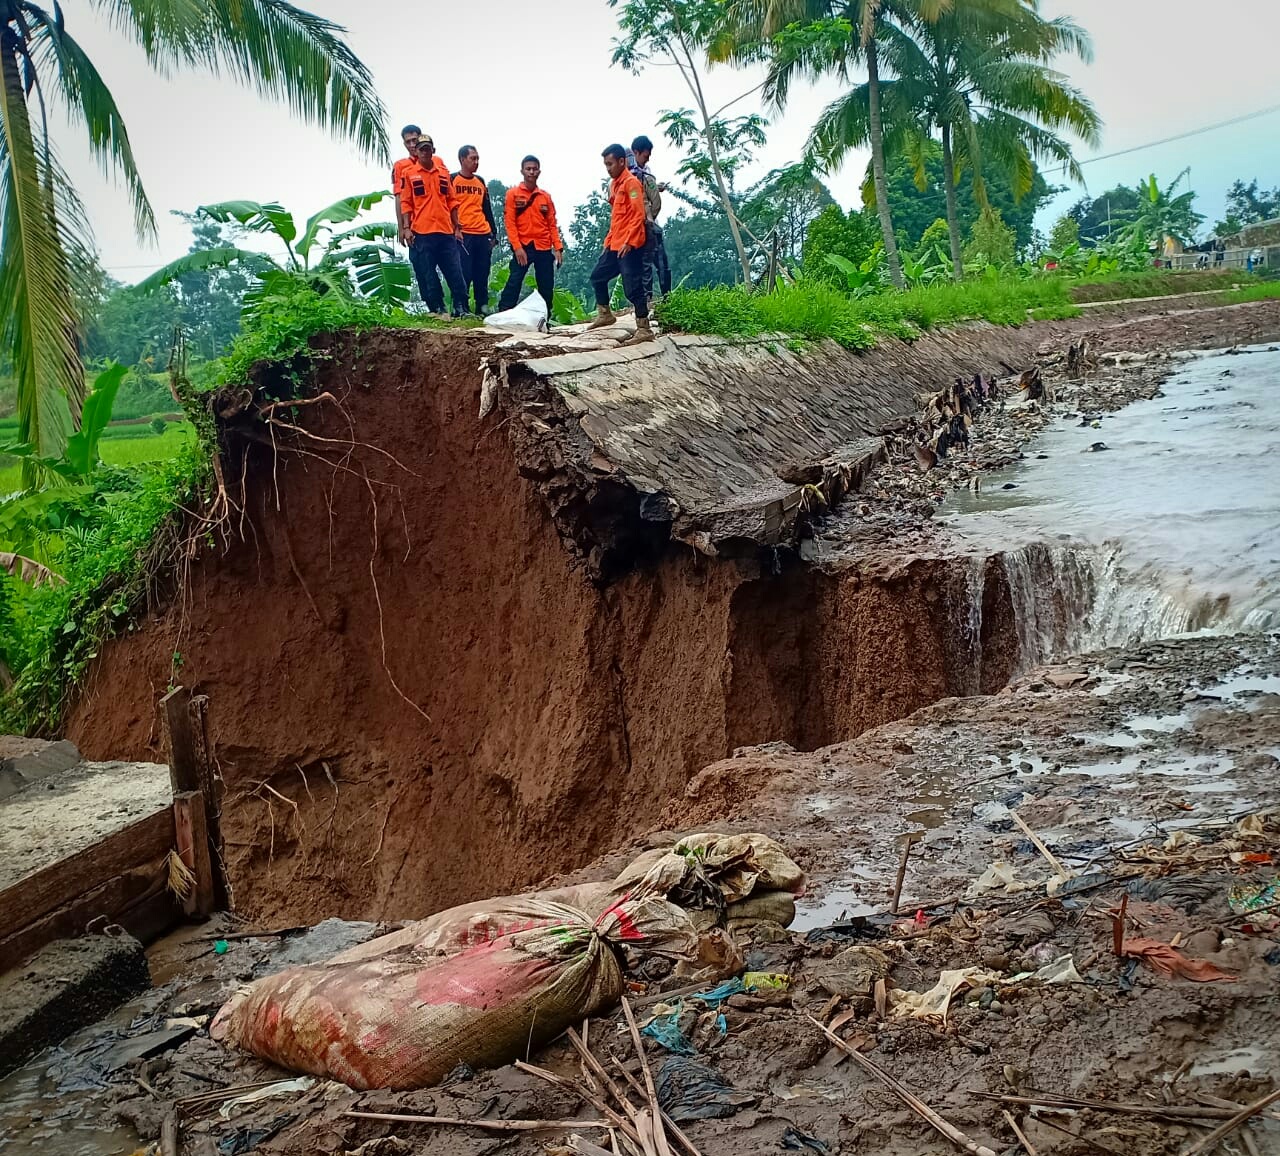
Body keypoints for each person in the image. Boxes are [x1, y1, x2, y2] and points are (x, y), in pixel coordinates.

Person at [399, 135, 469, 318]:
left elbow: (452, 201)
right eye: (421, 149)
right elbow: (406, 203)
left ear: (433, 151)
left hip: (445, 230)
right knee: (428, 273)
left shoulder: (443, 173)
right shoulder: (409, 174)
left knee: (454, 270)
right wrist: (406, 228)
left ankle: (460, 306)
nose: (424, 152)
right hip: (422, 231)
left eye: (427, 148)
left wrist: (457, 227)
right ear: (416, 152)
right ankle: (437, 307)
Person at [589, 143, 652, 342]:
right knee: (597, 277)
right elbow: (616, 218)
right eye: (605, 165)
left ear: (622, 162)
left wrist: (629, 241)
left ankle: (644, 328)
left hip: (629, 245)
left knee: (632, 288)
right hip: (614, 243)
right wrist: (608, 241)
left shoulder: (631, 184)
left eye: (610, 164)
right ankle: (605, 314)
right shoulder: (615, 185)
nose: (608, 168)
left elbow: (638, 214)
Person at [497, 155, 563, 316]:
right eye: (528, 169)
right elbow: (510, 223)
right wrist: (517, 247)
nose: (531, 172)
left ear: (539, 171)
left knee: (546, 284)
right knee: (514, 280)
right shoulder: (513, 194)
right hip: (524, 246)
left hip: (543, 245)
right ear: (522, 171)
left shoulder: (545, 197)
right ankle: (504, 312)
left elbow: (552, 224)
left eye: (534, 169)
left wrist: (558, 248)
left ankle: (544, 317)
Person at [452, 145, 497, 314]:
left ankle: (482, 305)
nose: (476, 162)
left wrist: (493, 233)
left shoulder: (480, 181)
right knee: (463, 271)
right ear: (462, 159)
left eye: (477, 158)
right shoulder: (452, 180)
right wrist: (453, 229)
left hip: (482, 232)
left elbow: (487, 208)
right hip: (463, 233)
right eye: (473, 158)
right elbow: (447, 207)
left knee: (482, 270)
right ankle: (460, 305)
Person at [629, 134, 671, 300]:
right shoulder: (632, 177)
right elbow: (649, 202)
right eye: (645, 156)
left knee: (659, 264)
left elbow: (651, 194)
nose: (647, 160)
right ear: (636, 152)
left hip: (649, 225)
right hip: (641, 227)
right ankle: (647, 300)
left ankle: (664, 298)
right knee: (646, 265)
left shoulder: (644, 174)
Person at [392, 125, 422, 242]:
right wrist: (403, 228)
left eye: (414, 140)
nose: (412, 145)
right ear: (404, 144)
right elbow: (399, 197)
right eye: (408, 142)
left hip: (440, 226)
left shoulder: (436, 163)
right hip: (415, 226)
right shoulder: (401, 166)